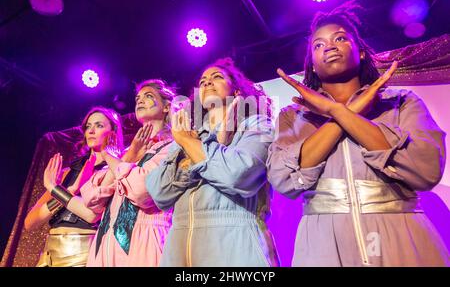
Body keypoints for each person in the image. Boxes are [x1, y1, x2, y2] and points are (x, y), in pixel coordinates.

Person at [266, 0, 450, 266]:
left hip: (401, 237)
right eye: (318, 45)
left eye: (339, 38)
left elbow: (426, 170)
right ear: (312, 65)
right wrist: (342, 113)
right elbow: (284, 181)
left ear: (360, 51)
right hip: (323, 244)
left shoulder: (401, 102)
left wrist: (338, 112)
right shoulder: (293, 117)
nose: (328, 46)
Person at [146, 57, 280, 266]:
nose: (207, 82)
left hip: (235, 244)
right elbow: (158, 192)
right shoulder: (188, 134)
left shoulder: (256, 125)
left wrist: (190, 145)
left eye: (216, 77)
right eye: (202, 81)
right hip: (181, 248)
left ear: (236, 91)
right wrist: (190, 145)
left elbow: (239, 175)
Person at [81, 79, 175, 266]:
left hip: (144, 240)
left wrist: (116, 160)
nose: (140, 100)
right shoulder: (125, 153)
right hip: (106, 244)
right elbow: (91, 198)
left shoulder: (173, 147)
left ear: (166, 107)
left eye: (149, 96)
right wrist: (129, 157)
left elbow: (143, 191)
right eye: (138, 97)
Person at [24, 106, 123, 267]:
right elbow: (30, 222)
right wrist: (69, 190)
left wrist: (56, 189)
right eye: (88, 126)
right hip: (49, 255)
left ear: (113, 131)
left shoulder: (116, 168)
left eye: (99, 125)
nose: (91, 131)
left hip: (85, 254)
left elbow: (92, 215)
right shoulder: (68, 173)